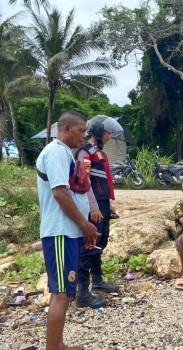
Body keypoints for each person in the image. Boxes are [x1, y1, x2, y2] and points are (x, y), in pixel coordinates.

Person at [36, 111, 101, 350]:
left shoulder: (64, 153)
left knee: (62, 292)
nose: (85, 136)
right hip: (60, 233)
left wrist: (82, 229)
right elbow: (60, 192)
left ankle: (58, 345)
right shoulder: (55, 153)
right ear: (66, 129)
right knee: (62, 294)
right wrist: (85, 225)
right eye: (81, 131)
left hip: (68, 232)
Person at [75, 115, 122, 308]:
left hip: (102, 205)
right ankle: (83, 294)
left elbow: (100, 182)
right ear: (97, 133)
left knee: (101, 241)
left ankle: (98, 281)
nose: (110, 135)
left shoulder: (99, 153)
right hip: (92, 207)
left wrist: (106, 204)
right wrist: (93, 206)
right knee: (89, 245)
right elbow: (85, 182)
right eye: (107, 132)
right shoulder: (85, 153)